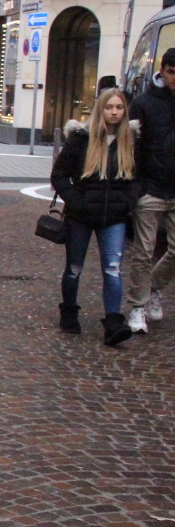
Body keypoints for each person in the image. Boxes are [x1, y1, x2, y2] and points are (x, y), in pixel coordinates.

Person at [49, 88, 138, 347]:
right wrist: (76, 200)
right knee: (74, 268)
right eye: (109, 107)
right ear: (101, 109)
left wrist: (127, 202)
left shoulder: (130, 141)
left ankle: (113, 322)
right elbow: (59, 175)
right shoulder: (81, 139)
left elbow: (138, 178)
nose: (114, 112)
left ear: (124, 111)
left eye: (119, 107)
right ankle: (69, 312)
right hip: (81, 215)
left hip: (115, 216)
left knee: (112, 270)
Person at [123, 47, 175, 334]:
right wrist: (137, 187)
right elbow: (131, 147)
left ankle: (153, 289)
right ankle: (138, 306)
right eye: (172, 72)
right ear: (163, 71)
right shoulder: (143, 103)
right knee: (143, 251)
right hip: (150, 189)